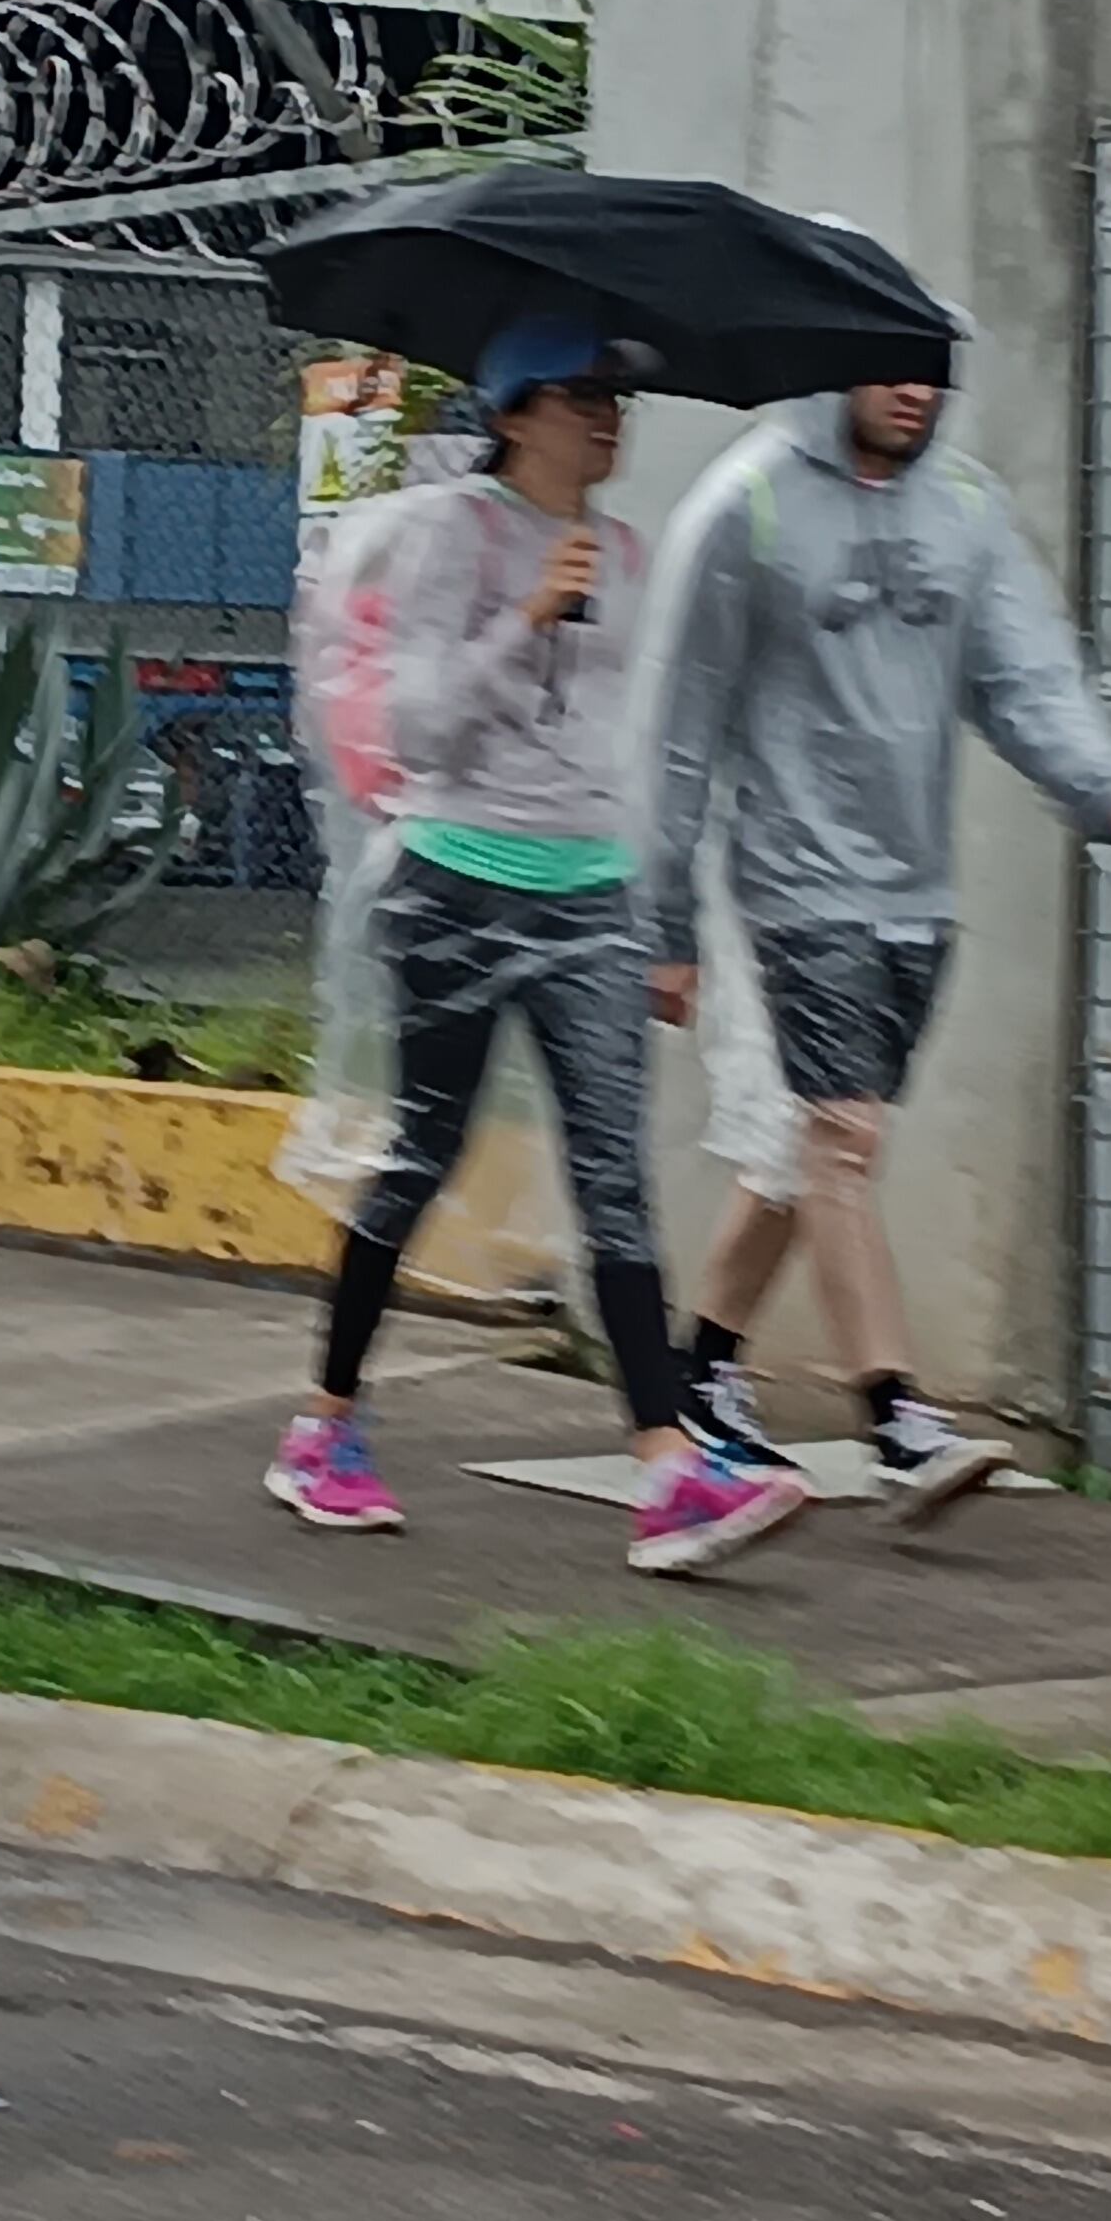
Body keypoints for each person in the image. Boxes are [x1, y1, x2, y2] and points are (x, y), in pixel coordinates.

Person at [269, 314, 810, 1578]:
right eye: (581, 398)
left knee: (614, 1178)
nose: (608, 418)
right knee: (423, 1154)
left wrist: (664, 916)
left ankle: (666, 1470)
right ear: (513, 413)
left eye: (619, 399)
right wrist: (524, 615)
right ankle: (325, 1426)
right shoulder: (440, 535)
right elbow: (420, 731)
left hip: (593, 898)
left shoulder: (625, 551)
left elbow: (636, 753)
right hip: (454, 883)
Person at [641, 377, 1111, 1519]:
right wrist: (665, 919)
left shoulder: (964, 508)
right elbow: (676, 720)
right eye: (886, 358)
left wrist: (1106, 796)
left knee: (804, 1152)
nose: (913, 383)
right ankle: (894, 1414)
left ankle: (699, 1370)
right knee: (845, 1138)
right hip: (788, 880)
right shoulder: (749, 503)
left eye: (932, 359)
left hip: (911, 891)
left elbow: (1022, 671)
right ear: (834, 364)